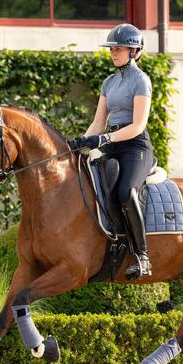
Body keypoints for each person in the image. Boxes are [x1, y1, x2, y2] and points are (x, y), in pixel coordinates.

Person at [69, 23, 154, 280]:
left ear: (135, 50)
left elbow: (138, 125)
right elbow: (98, 122)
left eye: (119, 48)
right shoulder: (108, 82)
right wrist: (80, 142)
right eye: (112, 48)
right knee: (89, 188)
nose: (113, 52)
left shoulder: (141, 81)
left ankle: (142, 256)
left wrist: (103, 137)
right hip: (112, 145)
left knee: (127, 193)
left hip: (135, 146)